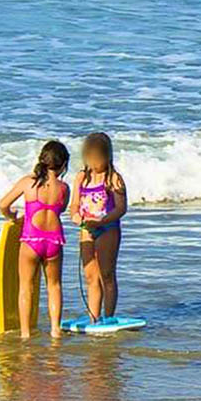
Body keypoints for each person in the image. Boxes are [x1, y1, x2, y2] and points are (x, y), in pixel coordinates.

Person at [0, 140, 71, 338]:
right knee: (54, 285)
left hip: (31, 240)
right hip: (54, 241)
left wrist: (12, 217)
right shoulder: (64, 189)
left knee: (26, 286)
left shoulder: (28, 182)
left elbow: (3, 204)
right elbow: (60, 210)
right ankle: (55, 330)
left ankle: (25, 333)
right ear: (64, 164)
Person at [71, 133, 127, 323]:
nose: (95, 164)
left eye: (98, 160)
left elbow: (121, 208)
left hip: (108, 228)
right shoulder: (81, 177)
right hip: (87, 228)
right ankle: (93, 317)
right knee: (90, 275)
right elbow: (74, 204)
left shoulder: (113, 179)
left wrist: (102, 221)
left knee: (107, 274)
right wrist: (75, 216)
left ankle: (109, 316)